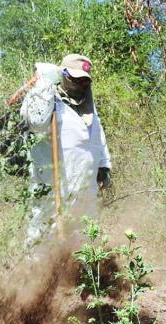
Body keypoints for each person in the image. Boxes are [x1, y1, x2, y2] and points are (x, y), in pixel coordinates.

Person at [20, 54, 112, 248]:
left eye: (85, 81)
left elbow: (98, 135)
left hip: (85, 188)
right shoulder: (47, 99)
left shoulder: (89, 107)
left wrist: (104, 165)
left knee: (86, 237)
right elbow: (35, 122)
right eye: (76, 80)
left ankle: (82, 276)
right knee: (45, 237)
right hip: (54, 188)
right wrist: (45, 84)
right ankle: (36, 276)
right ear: (63, 75)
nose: (81, 85)